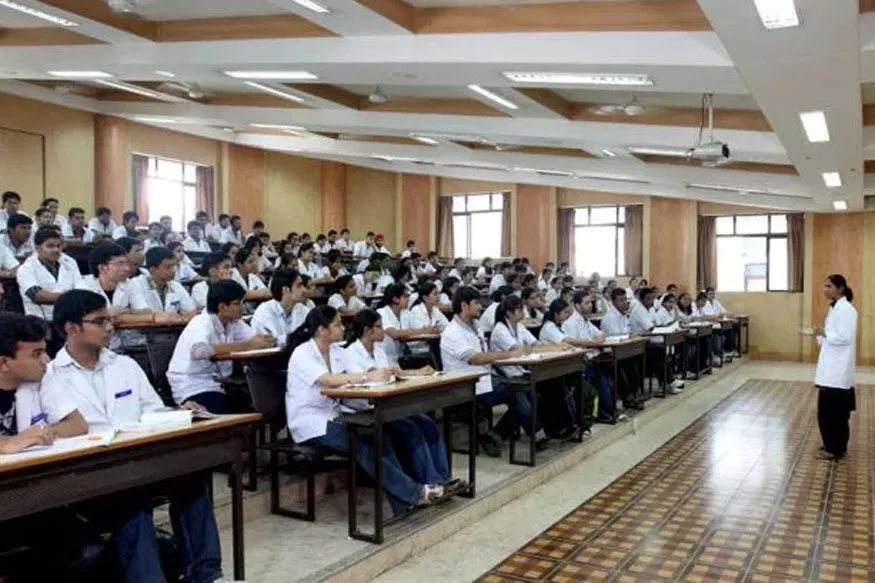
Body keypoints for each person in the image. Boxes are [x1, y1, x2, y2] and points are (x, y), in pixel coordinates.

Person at [41, 290, 227, 583]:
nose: (110, 328)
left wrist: (178, 412)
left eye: (110, 321)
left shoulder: (124, 365)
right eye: (100, 322)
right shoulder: (50, 375)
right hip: (88, 474)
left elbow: (151, 412)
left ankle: (207, 575)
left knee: (193, 483)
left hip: (138, 463)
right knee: (133, 505)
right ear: (71, 328)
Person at [286, 306, 444, 515]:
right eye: (337, 324)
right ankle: (414, 494)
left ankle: (402, 505)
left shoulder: (336, 351)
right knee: (360, 443)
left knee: (381, 437)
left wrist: (380, 372)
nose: (343, 328)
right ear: (321, 330)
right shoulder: (303, 353)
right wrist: (366, 377)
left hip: (336, 414)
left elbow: (355, 373)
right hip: (310, 422)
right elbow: (328, 380)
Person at [338, 309, 462, 495]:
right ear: (367, 330)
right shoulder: (350, 354)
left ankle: (444, 478)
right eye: (379, 327)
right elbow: (371, 381)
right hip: (363, 411)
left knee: (428, 424)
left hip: (387, 405)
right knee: (411, 430)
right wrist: (391, 374)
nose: (383, 331)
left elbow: (393, 375)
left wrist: (413, 373)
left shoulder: (379, 350)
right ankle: (432, 483)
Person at [440, 286, 543, 457]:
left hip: (484, 378)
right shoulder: (452, 332)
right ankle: (534, 434)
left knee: (526, 389)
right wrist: (511, 354)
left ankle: (495, 435)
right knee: (517, 391)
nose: (481, 307)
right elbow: (476, 358)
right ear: (464, 306)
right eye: (476, 303)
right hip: (464, 384)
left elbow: (485, 356)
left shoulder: (476, 326)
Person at [168, 280, 275, 413]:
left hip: (219, 383)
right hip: (193, 384)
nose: (243, 307)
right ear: (222, 307)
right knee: (223, 408)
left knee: (263, 400)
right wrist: (246, 345)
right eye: (237, 304)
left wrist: (264, 340)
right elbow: (199, 350)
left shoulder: (234, 322)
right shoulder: (202, 321)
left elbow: (254, 339)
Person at [806, 274, 858, 461]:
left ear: (841, 288)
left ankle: (835, 448)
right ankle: (832, 444)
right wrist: (816, 334)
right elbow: (828, 338)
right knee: (827, 411)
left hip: (838, 370)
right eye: (824, 286)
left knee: (834, 413)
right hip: (830, 368)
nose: (825, 290)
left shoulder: (847, 310)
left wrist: (824, 333)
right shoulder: (834, 308)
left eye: (829, 286)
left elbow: (844, 337)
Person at [17, 227, 82, 321]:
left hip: (69, 319)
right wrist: (71, 297)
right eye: (50, 246)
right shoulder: (26, 268)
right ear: (37, 248)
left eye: (58, 246)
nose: (56, 250)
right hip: (40, 323)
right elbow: (37, 296)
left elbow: (81, 288)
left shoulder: (70, 262)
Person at [128, 246, 199, 317]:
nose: (173, 270)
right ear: (153, 269)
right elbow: (143, 312)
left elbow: (191, 311)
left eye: (174, 266)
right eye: (168, 267)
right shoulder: (137, 284)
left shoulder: (176, 285)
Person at [250, 268, 307, 348]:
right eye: (299, 286)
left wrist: (281, 339)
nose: (304, 290)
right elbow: (268, 342)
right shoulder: (264, 311)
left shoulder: (303, 310)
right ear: (285, 290)